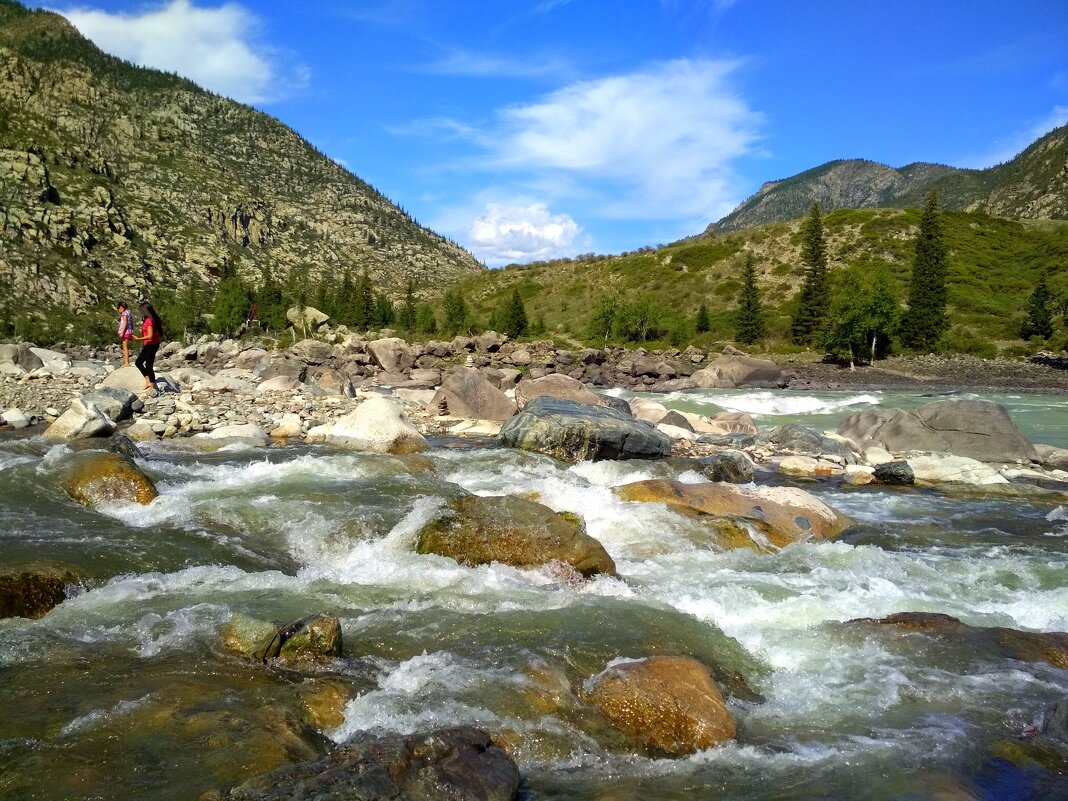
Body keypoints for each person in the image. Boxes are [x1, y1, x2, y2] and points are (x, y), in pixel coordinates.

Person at [132, 301, 164, 394]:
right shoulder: (148, 319)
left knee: (149, 365)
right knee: (138, 362)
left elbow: (149, 336)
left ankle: (153, 385)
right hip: (149, 344)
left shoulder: (149, 320)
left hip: (152, 344)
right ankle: (148, 381)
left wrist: (138, 338)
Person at [116, 301, 133, 367]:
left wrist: (122, 332)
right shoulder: (129, 313)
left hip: (125, 332)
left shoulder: (124, 314)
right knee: (125, 347)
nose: (119, 310)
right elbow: (130, 322)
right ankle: (126, 361)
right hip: (129, 331)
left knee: (125, 347)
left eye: (119, 309)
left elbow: (125, 323)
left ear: (121, 307)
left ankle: (126, 362)